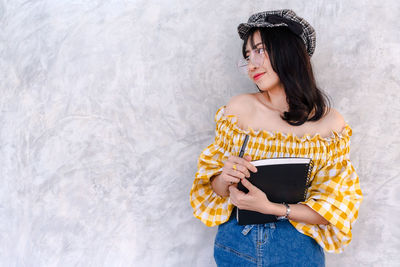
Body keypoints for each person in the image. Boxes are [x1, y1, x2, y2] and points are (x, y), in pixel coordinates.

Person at [189, 9, 363, 267]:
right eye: (247, 56)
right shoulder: (239, 110)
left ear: (289, 52)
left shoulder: (330, 125)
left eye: (259, 50)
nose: (252, 65)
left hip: (297, 249)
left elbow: (334, 209)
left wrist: (274, 208)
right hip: (236, 242)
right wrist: (224, 178)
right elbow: (213, 189)